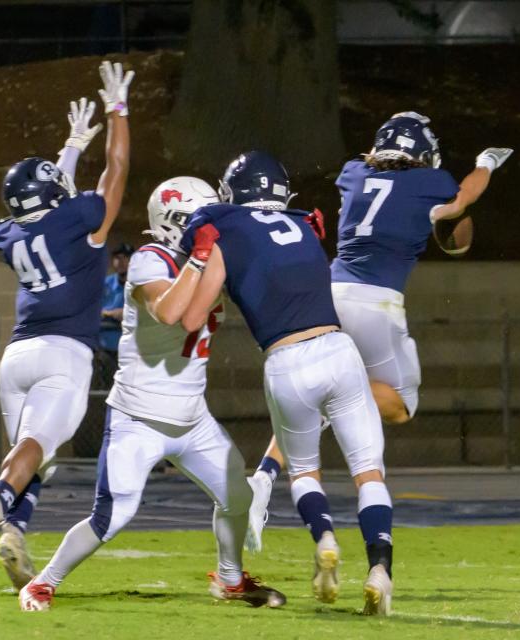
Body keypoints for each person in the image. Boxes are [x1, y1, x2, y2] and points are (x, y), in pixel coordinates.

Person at [244, 111, 513, 554]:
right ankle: (338, 395)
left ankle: (263, 477)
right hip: (376, 303)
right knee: (401, 404)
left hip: (328, 293)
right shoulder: (428, 182)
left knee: (316, 394)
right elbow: (462, 200)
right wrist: (487, 162)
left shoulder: (353, 173)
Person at [18, 176, 286, 612]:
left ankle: (230, 579)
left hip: (192, 416)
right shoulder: (149, 259)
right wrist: (201, 258)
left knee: (238, 496)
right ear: (176, 222)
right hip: (138, 417)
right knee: (113, 516)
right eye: (202, 220)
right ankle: (42, 583)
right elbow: (169, 312)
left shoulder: (210, 259)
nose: (210, 228)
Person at [180, 150, 396, 615]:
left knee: (303, 471)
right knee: (369, 472)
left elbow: (192, 317)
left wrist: (199, 265)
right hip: (338, 349)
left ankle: (325, 539)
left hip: (286, 362)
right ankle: (380, 569)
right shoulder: (303, 224)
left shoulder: (224, 229)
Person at [0, 61, 132, 591]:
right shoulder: (79, 222)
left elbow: (44, 199)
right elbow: (118, 170)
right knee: (35, 450)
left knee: (36, 456)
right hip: (65, 354)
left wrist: (71, 146)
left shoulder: (8, 234)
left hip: (17, 358)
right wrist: (117, 111)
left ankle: (14, 531)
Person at [99, 242, 134, 357]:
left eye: (125, 258)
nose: (121, 262)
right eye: (117, 258)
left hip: (132, 349)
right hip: (104, 347)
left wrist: (126, 313)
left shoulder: (140, 285)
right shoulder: (105, 283)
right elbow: (91, 310)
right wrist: (110, 313)